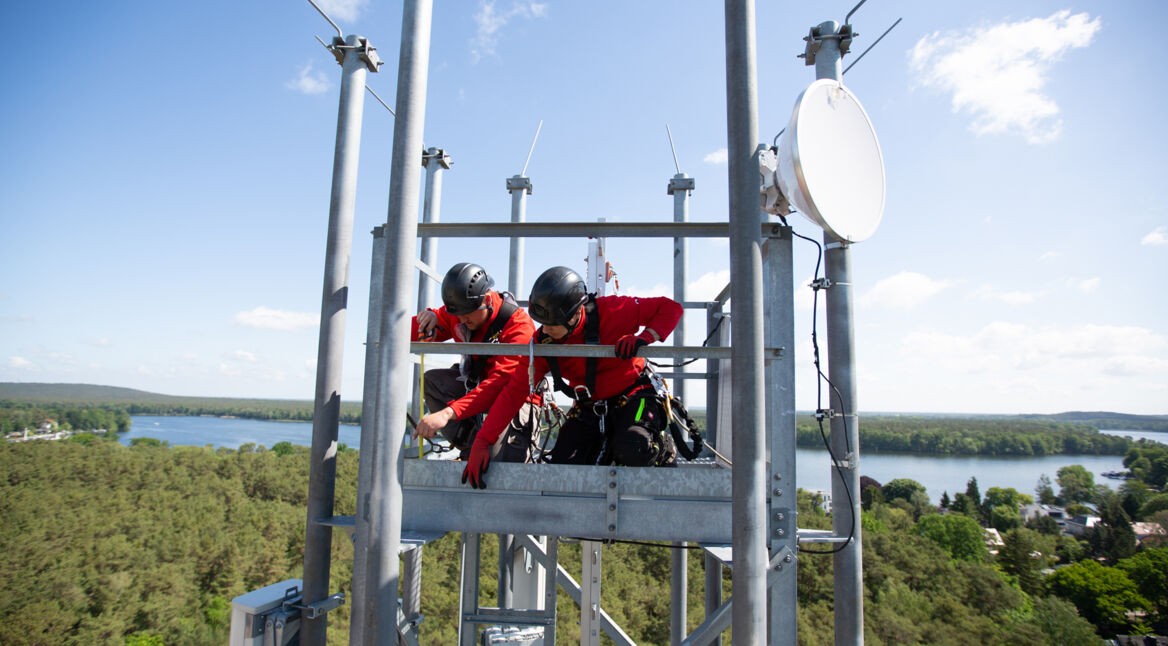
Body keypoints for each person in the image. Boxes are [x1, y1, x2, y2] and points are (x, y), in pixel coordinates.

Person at [461, 265, 684, 489]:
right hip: (591, 407)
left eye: (552, 324)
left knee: (634, 446)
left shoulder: (613, 311)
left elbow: (669, 308)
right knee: (563, 469)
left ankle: (663, 450)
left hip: (634, 395)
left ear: (576, 312)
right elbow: (515, 391)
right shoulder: (544, 343)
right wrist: (483, 440)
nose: (545, 330)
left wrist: (645, 337)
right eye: (543, 323)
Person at [411, 262, 541, 464]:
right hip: (482, 389)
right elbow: (413, 330)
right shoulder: (463, 312)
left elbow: (502, 383)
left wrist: (447, 414)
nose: (461, 320)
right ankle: (472, 447)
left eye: (467, 313)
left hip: (515, 398)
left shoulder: (518, 325)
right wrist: (428, 318)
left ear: (487, 300)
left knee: (498, 463)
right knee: (433, 381)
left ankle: (487, 448)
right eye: (457, 314)